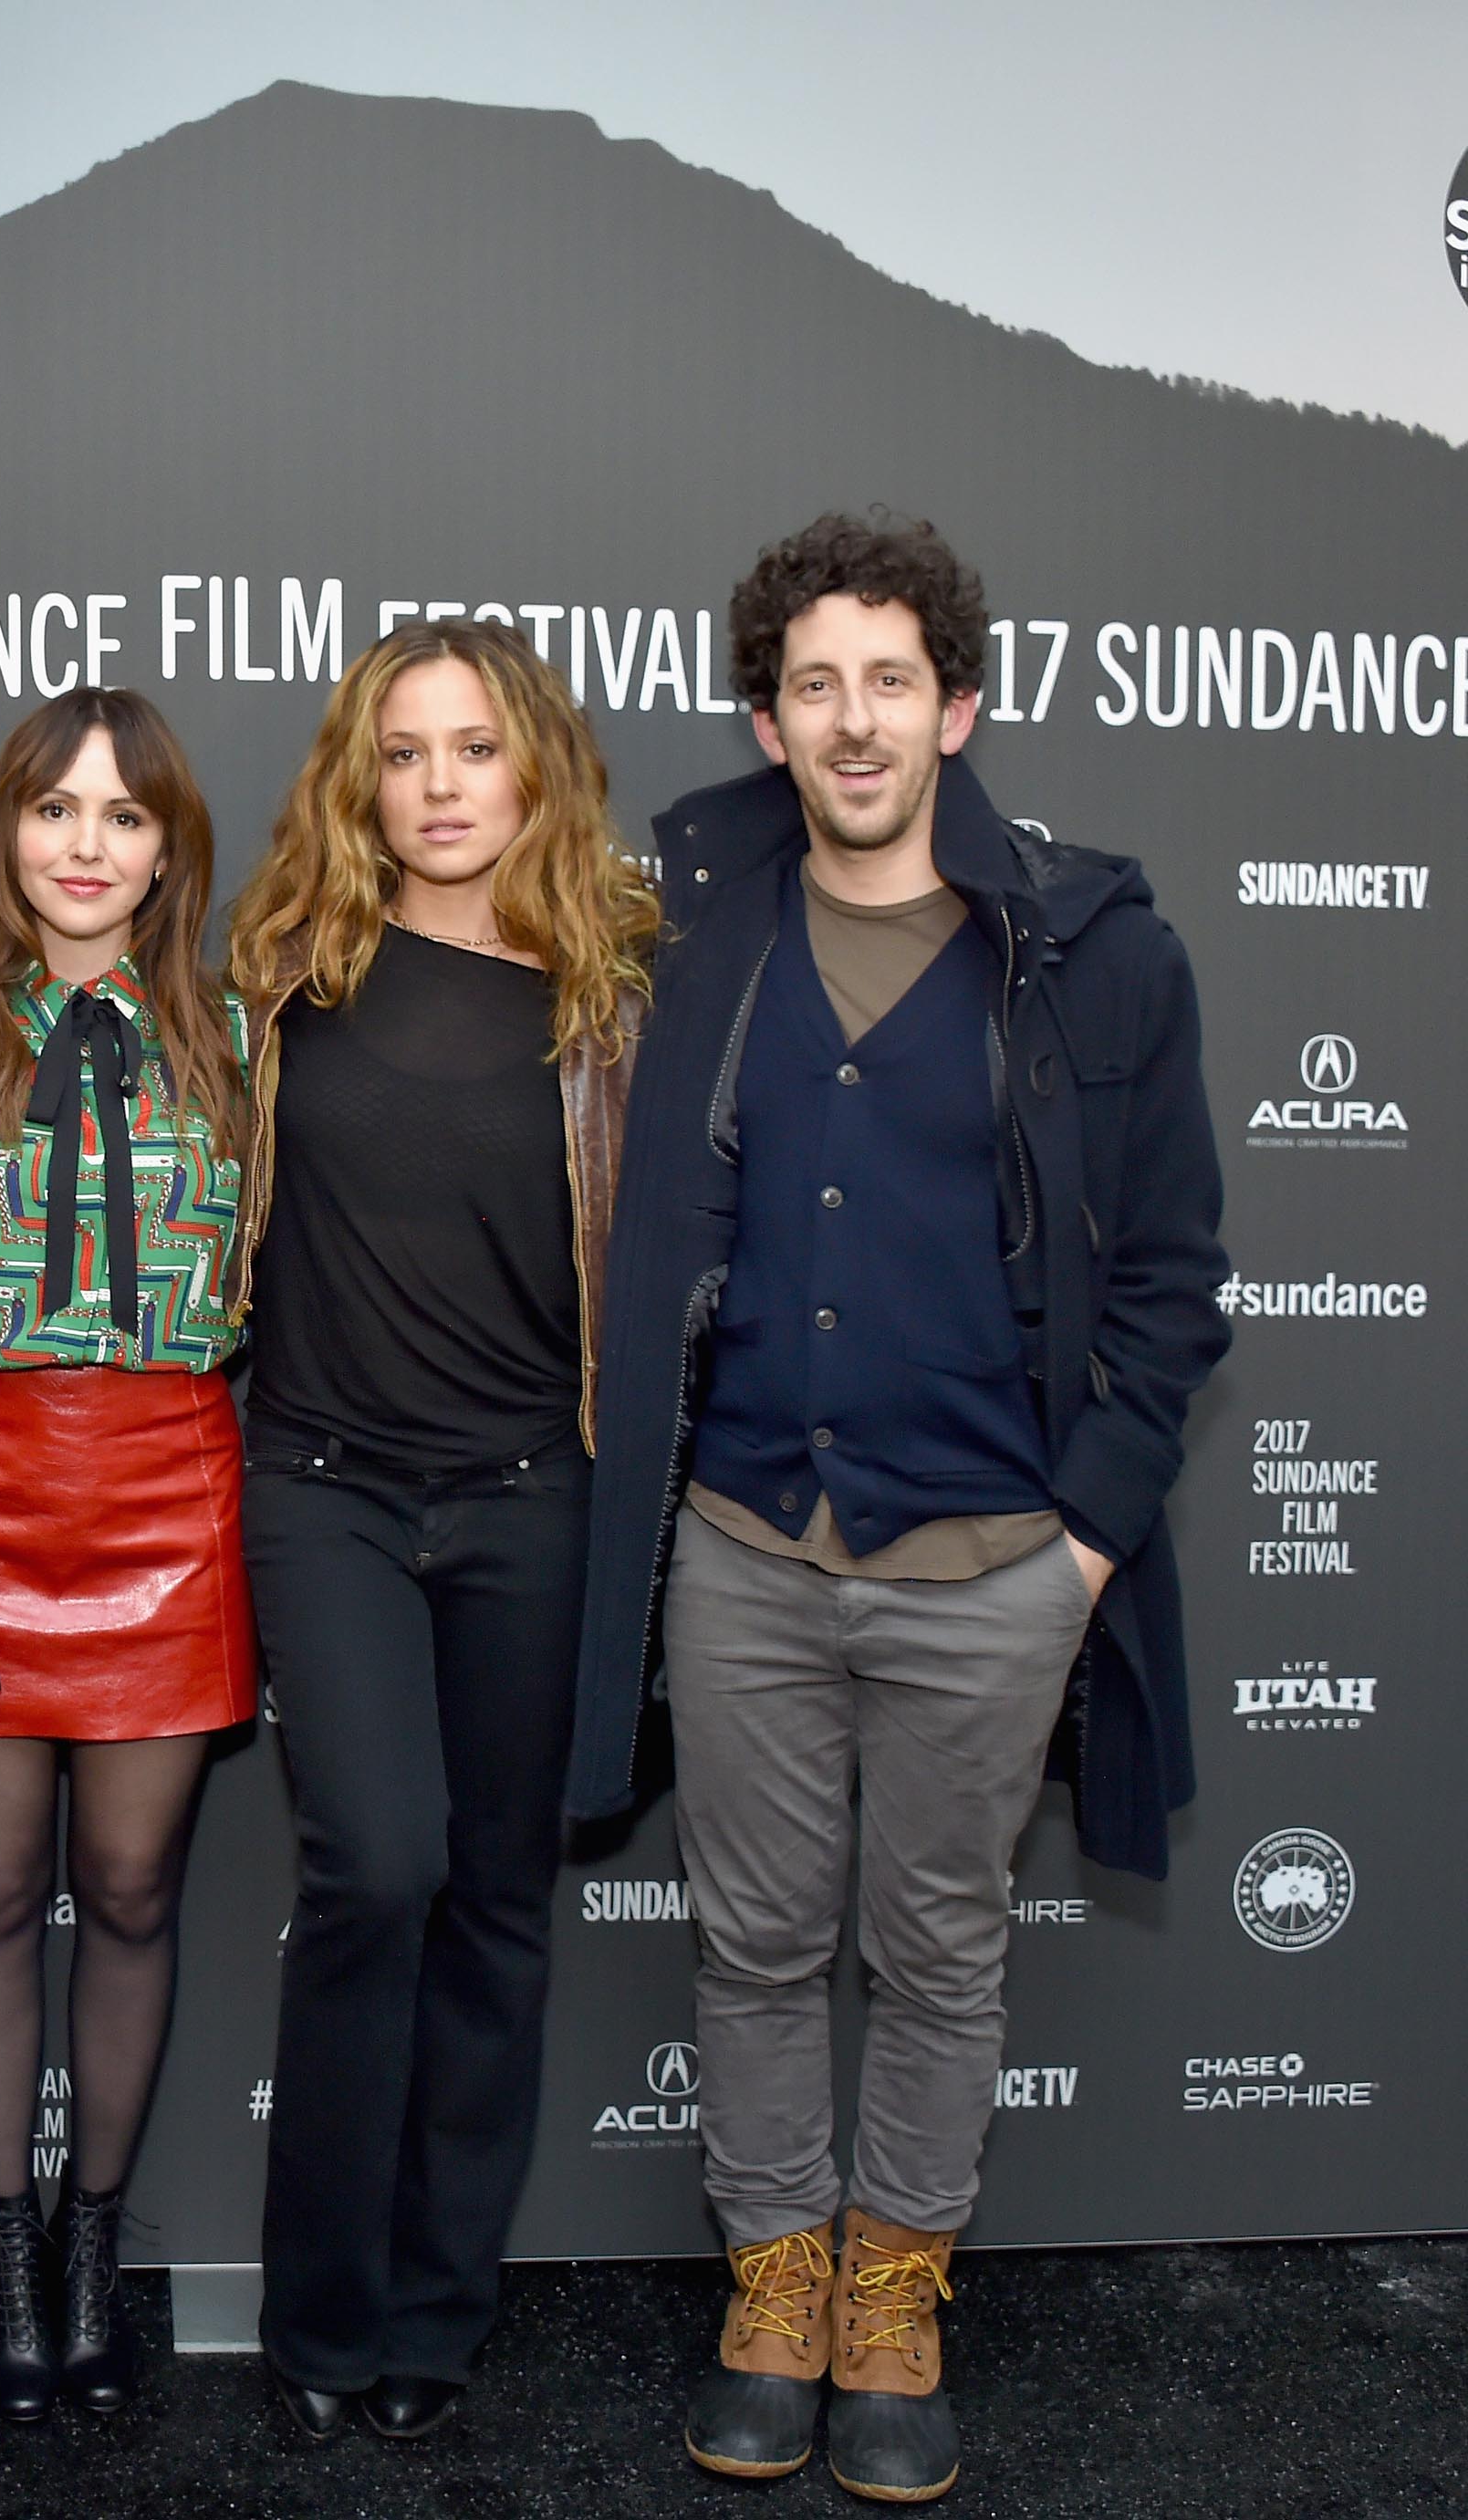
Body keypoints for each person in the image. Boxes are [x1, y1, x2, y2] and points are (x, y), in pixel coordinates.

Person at [569, 514, 1230, 2504]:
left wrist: (1085, 1543)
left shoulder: (1098, 947)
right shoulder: (691, 925)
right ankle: (776, 2277)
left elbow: (1176, 1276)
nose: (852, 722)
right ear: (765, 722)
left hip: (992, 1568)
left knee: (942, 1955)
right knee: (757, 1946)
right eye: (811, 686)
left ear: (958, 704)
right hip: (749, 1547)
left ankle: (897, 2288)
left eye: (889, 682)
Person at [225, 619, 653, 2443]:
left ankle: (434, 2309)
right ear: (360, 778)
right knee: (375, 1871)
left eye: (474, 750)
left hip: (530, 1505)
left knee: (493, 1905)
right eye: (404, 755)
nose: (440, 787)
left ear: (534, 766)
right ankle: (317, 2312)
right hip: (321, 1488)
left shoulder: (616, 992)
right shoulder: (284, 966)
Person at [0, 689, 256, 2422]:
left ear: (169, 847)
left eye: (123, 813)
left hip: (171, 1489)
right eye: (54, 809)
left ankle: (97, 2232)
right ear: (1, 834)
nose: (85, 842)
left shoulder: (243, 1029)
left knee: (129, 1890)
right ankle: (6, 2239)